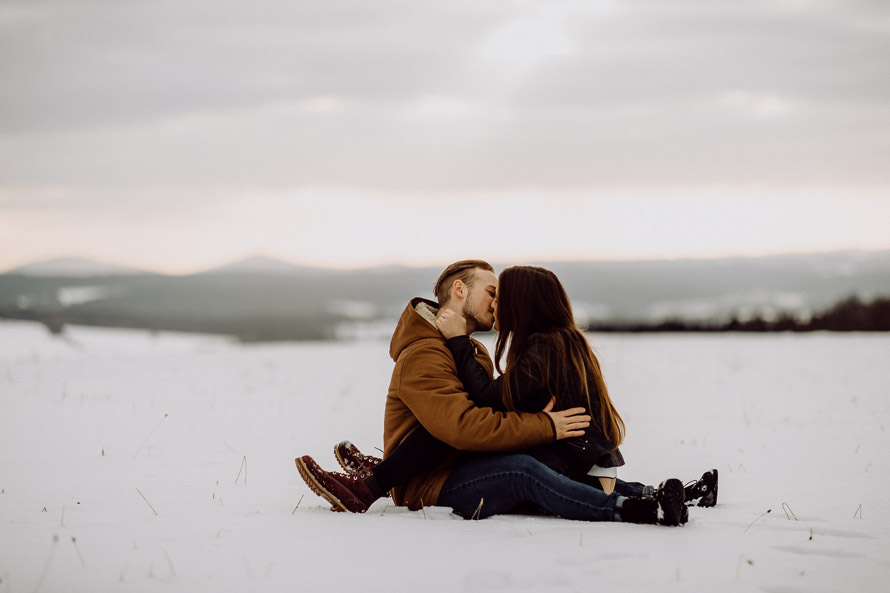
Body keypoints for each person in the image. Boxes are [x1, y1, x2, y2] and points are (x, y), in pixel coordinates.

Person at [296, 261, 717, 525]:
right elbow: (462, 425)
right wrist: (545, 427)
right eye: (492, 292)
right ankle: (376, 482)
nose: (498, 304)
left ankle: (655, 496)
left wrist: (545, 427)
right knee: (522, 467)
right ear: (460, 291)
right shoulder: (427, 354)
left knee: (541, 467)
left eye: (503, 296)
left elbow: (484, 405)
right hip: (440, 478)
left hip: (481, 461)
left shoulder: (481, 347)